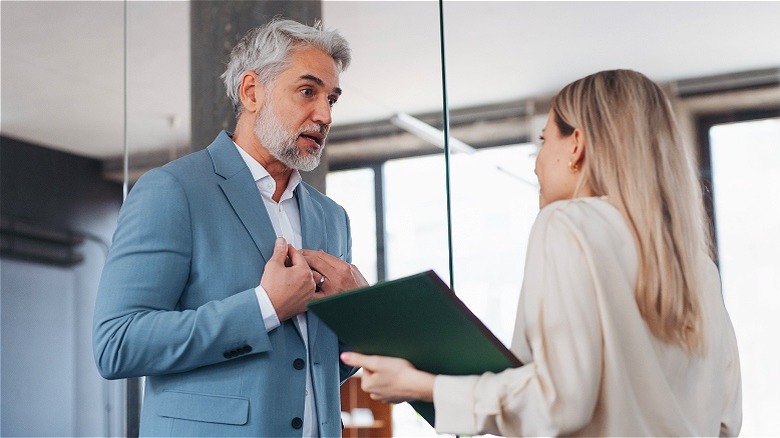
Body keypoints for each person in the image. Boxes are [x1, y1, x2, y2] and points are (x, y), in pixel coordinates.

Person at [341, 69, 742, 437]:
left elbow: (560, 402)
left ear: (577, 145)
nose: (536, 163)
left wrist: (423, 385)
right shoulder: (696, 265)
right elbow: (726, 422)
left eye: (544, 139)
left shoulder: (568, 224)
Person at [93, 19, 368, 437]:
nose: (325, 114)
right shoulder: (173, 190)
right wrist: (264, 308)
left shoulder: (333, 218)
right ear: (252, 91)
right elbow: (117, 344)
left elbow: (311, 367)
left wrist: (358, 317)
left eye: (332, 98)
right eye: (308, 91)